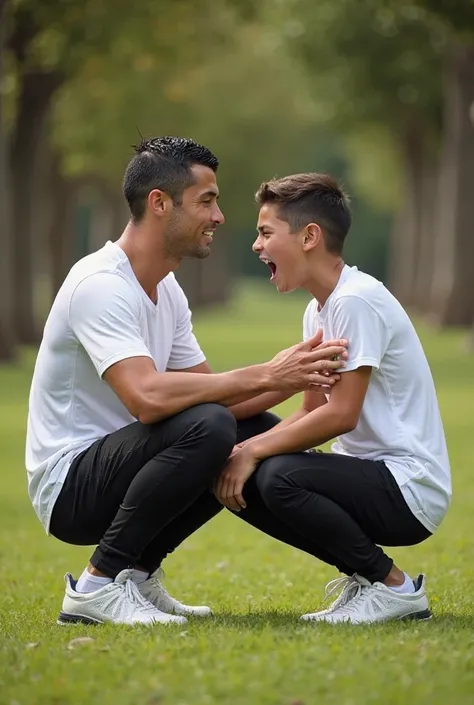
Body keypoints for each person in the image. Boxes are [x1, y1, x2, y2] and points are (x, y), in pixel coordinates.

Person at [25, 138, 347, 627]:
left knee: (246, 432)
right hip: (70, 488)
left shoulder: (166, 287)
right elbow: (148, 399)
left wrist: (296, 373)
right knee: (210, 428)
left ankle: (135, 575)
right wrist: (265, 372)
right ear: (159, 203)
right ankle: (94, 586)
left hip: (122, 463)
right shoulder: (100, 285)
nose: (218, 217)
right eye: (206, 201)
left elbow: (218, 397)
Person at [215, 172, 451, 625]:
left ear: (309, 236)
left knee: (277, 474)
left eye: (266, 233)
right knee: (246, 459)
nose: (256, 245)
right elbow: (311, 409)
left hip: (409, 488)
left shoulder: (356, 301)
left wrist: (253, 452)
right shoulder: (320, 307)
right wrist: (240, 451)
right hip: (371, 478)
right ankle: (367, 580)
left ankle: (393, 587)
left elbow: (341, 415)